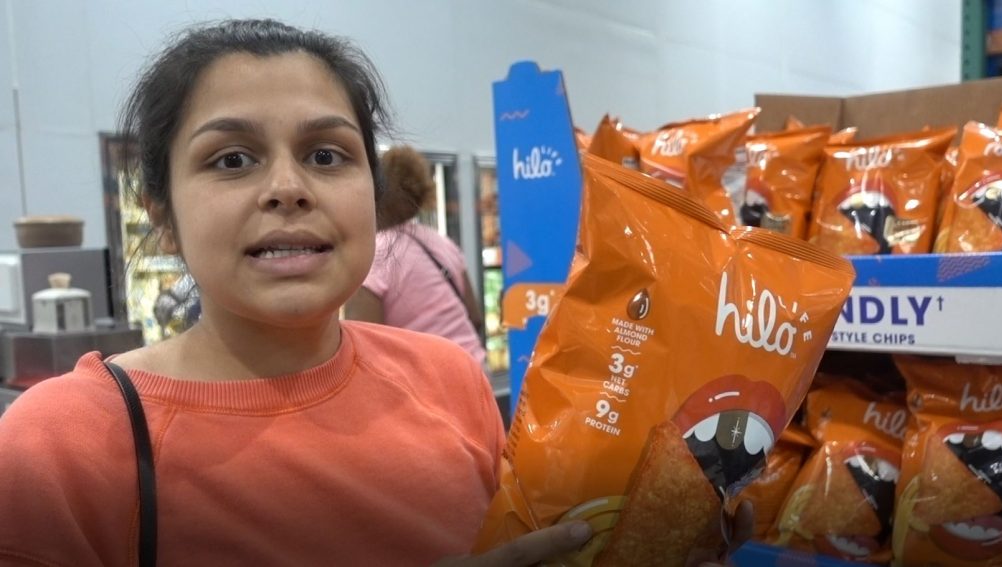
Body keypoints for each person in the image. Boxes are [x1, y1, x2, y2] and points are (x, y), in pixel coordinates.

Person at [0, 18, 748, 567]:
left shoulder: (446, 379)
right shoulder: (60, 446)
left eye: (327, 154)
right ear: (160, 211)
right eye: (231, 160)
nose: (288, 188)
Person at [344, 146, 487, 369]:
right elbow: (475, 318)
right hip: (472, 369)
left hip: (426, 383)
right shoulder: (441, 242)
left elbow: (365, 348)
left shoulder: (374, 254)